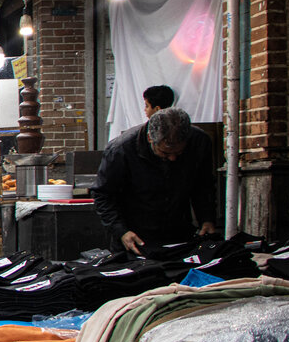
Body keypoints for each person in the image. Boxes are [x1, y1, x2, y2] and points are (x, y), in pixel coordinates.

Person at [92, 107, 216, 255]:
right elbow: (103, 195)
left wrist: (206, 218)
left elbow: (204, 185)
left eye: (178, 153)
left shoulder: (199, 142)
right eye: (165, 153)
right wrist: (121, 231)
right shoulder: (121, 150)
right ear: (150, 138)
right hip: (135, 238)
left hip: (179, 231)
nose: (172, 158)